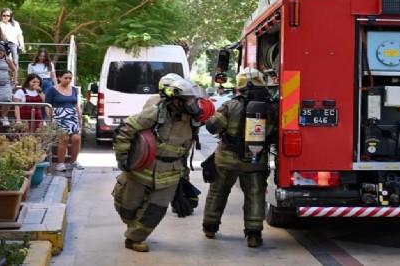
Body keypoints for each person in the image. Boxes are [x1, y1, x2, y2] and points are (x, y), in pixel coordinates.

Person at [112, 75, 214, 252]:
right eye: (188, 100)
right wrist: (122, 157)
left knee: (155, 210)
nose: (192, 104)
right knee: (127, 206)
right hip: (142, 168)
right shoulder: (155, 113)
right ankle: (132, 224)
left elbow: (186, 150)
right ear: (175, 101)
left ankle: (134, 238)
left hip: (170, 173)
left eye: (193, 100)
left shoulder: (194, 119)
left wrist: (183, 177)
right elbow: (126, 129)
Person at [202, 67, 277, 248]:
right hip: (255, 161)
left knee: (218, 192)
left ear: (239, 86)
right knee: (255, 196)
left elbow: (212, 127)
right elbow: (275, 135)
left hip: (226, 160)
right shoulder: (272, 107)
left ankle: (210, 228)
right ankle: (253, 235)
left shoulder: (230, 105)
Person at [45, 70, 83, 172]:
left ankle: (73, 161)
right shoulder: (52, 90)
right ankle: (60, 163)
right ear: (59, 78)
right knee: (64, 139)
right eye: (66, 78)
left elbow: (76, 105)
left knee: (76, 139)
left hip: (72, 116)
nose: (68, 80)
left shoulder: (74, 89)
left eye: (70, 78)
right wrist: (51, 119)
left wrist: (79, 118)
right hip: (59, 116)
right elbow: (48, 106)